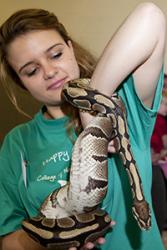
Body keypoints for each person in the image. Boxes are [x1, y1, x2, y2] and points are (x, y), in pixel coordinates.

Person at [0, 2, 166, 250]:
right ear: (21, 82)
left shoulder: (123, 105)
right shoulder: (17, 142)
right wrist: (47, 237)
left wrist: (92, 110)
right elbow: (8, 242)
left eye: (55, 54)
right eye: (32, 70)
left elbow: (150, 16)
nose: (49, 72)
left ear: (70, 47)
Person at [151, 86, 167, 234]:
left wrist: (159, 155)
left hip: (155, 165)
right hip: (149, 165)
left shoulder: (160, 121)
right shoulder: (156, 120)